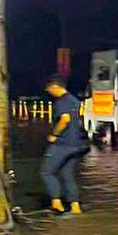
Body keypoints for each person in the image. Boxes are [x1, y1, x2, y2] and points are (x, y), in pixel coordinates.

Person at [40, 75, 89, 214]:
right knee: (67, 174)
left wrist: (54, 134)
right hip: (77, 144)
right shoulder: (74, 100)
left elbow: (65, 119)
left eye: (49, 90)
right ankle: (75, 207)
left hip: (63, 143)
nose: (49, 92)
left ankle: (57, 203)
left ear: (55, 87)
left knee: (47, 172)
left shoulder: (61, 102)